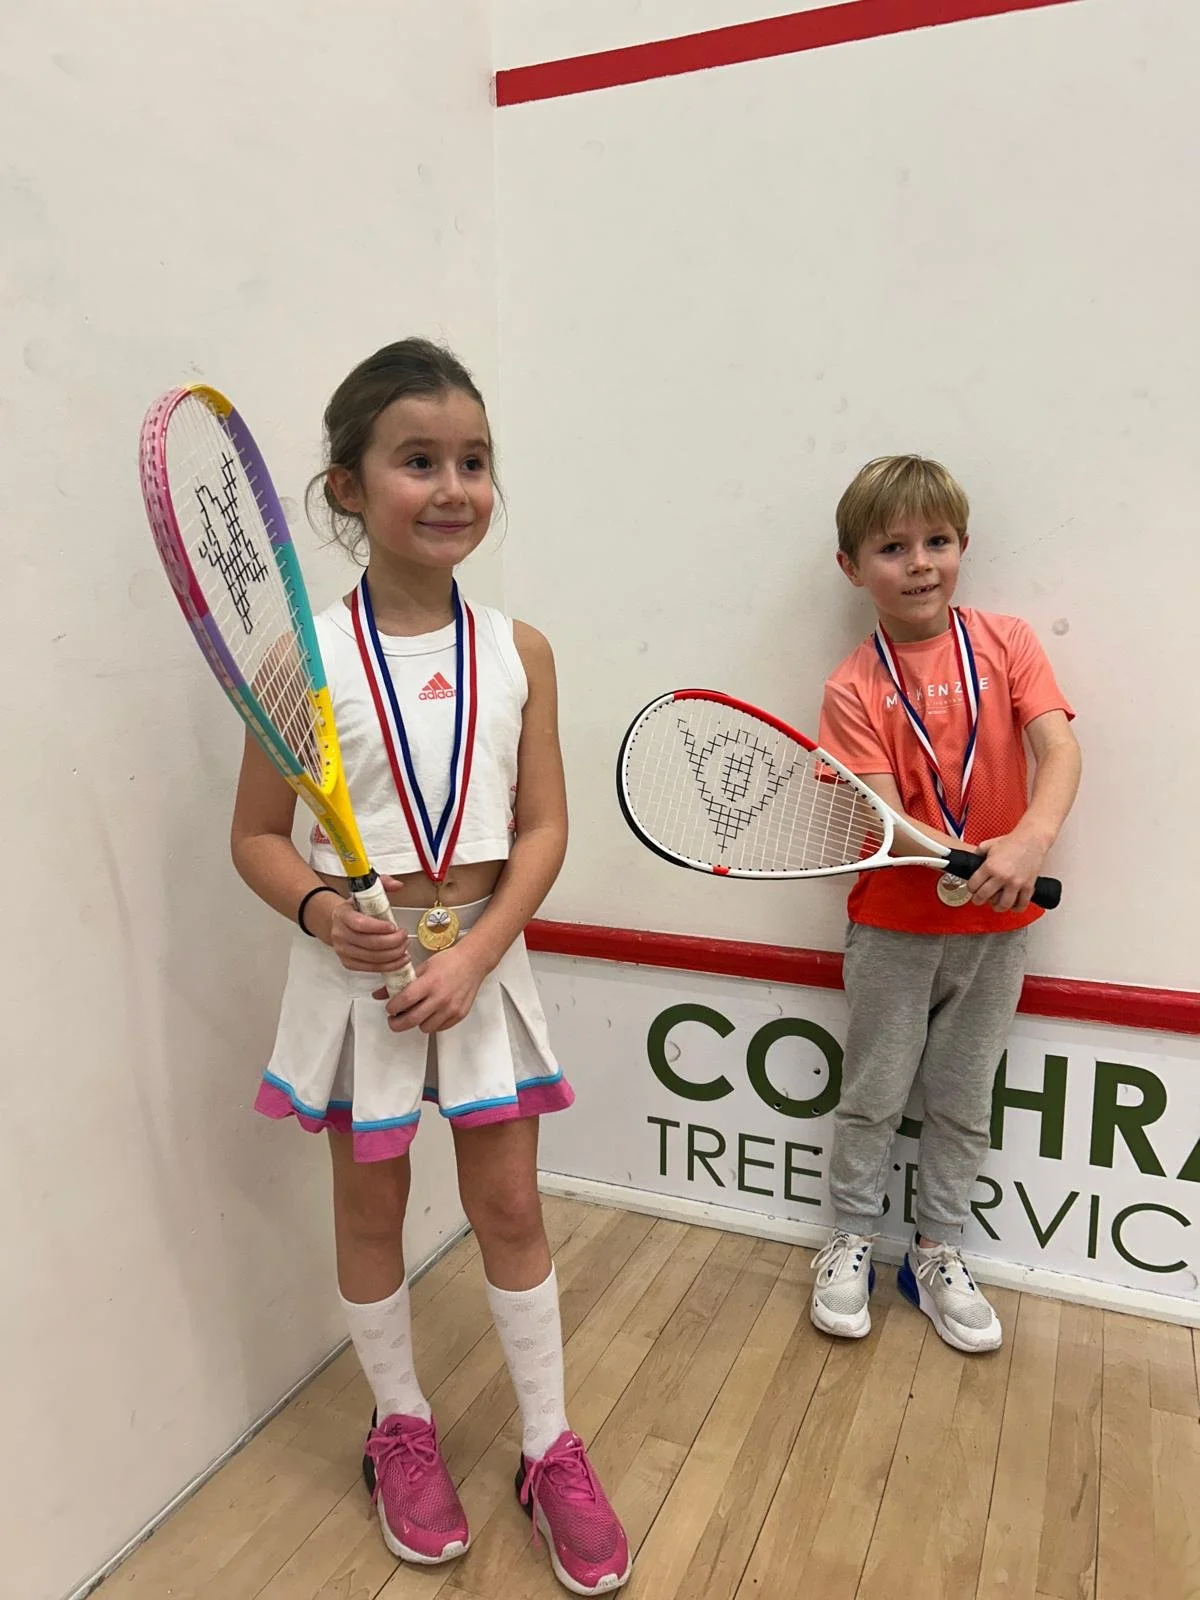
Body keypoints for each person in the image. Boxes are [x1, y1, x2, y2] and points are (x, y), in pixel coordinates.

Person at [231, 338, 630, 1594]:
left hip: (483, 972)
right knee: (370, 1210)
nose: (454, 485)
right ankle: (397, 1422)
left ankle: (548, 1443)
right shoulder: (300, 660)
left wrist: (480, 955)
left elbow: (547, 824)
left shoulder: (525, 650)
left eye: (474, 460)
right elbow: (252, 838)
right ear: (347, 488)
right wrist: (318, 911)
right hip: (356, 988)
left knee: (510, 1206)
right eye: (418, 461)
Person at [810, 455, 1080, 1353]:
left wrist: (1029, 841)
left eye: (938, 540)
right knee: (875, 1096)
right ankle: (849, 1237)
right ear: (853, 567)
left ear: (963, 546)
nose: (919, 561)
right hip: (893, 927)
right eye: (892, 547)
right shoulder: (853, 686)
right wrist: (979, 855)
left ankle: (936, 1252)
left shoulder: (1006, 643)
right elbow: (890, 816)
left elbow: (1059, 752)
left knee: (963, 1104)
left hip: (997, 932)